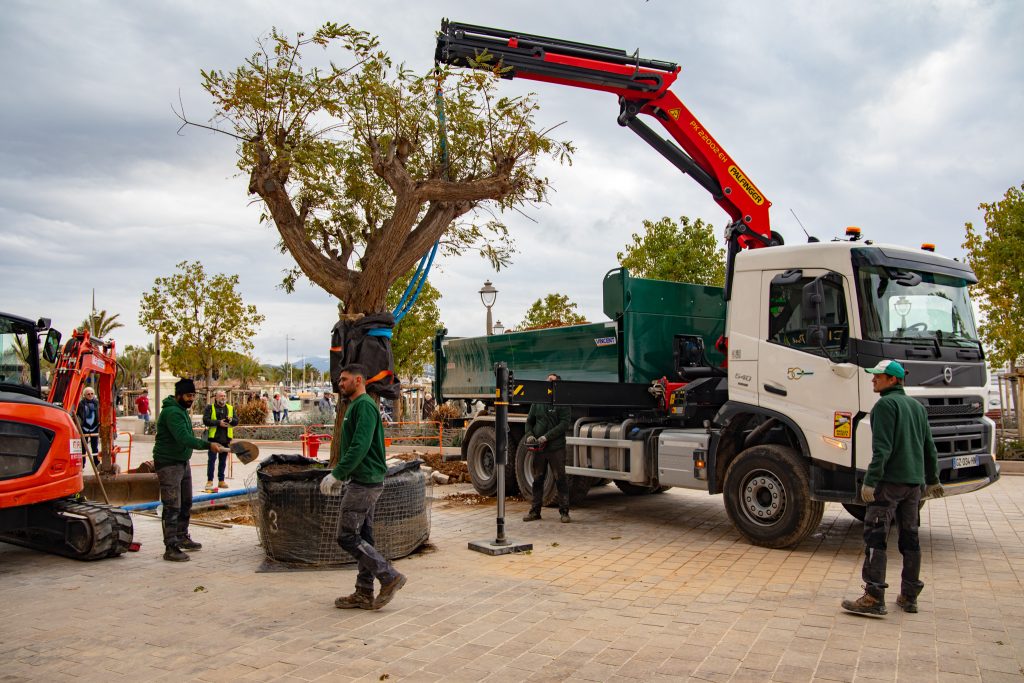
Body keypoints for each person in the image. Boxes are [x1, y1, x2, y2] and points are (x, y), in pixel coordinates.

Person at [842, 360, 944, 616]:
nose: (873, 379)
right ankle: (909, 596)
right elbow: (929, 447)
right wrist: (932, 479)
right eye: (874, 375)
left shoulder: (885, 405)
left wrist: (870, 481)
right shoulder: (916, 407)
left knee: (876, 537)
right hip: (913, 486)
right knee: (910, 539)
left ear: (894, 380)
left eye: (879, 376)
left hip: (889, 484)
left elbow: (882, 450)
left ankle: (874, 597)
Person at [320, 364, 407, 610]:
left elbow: (360, 445)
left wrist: (338, 474)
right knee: (364, 537)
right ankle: (363, 591)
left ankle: (389, 576)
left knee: (347, 536)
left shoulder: (365, 406)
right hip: (362, 479)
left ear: (359, 380)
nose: (340, 383)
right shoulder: (355, 406)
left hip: (365, 482)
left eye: (344, 379)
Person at [153, 378, 229, 562]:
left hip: (182, 461)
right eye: (188, 395)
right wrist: (208, 445)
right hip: (169, 463)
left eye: (193, 396)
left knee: (186, 502)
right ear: (178, 395)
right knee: (172, 505)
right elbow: (184, 438)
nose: (191, 399)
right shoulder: (172, 412)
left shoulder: (181, 411)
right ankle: (170, 547)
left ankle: (181, 536)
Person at [522, 373, 573, 524]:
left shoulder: (562, 403)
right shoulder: (537, 401)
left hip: (556, 448)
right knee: (538, 480)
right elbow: (529, 421)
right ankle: (535, 511)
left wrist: (547, 437)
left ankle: (564, 512)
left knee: (560, 478)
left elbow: (564, 424)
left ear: (557, 385)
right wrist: (530, 436)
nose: (547, 382)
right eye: (546, 379)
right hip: (539, 449)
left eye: (551, 380)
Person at [202, 390, 238, 490]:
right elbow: (205, 420)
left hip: (225, 439)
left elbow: (236, 421)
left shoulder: (230, 408)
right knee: (212, 461)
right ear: (216, 398)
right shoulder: (210, 407)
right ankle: (209, 480)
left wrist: (231, 420)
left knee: (223, 462)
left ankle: (221, 481)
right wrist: (218, 423)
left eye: (224, 396)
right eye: (221, 396)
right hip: (213, 439)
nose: (223, 397)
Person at [76, 386, 101, 466]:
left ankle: (97, 464)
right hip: (84, 428)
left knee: (95, 447)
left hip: (94, 427)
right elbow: (77, 414)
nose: (90, 395)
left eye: (92, 394)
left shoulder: (96, 403)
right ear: (84, 395)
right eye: (88, 394)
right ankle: (82, 464)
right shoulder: (81, 404)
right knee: (83, 448)